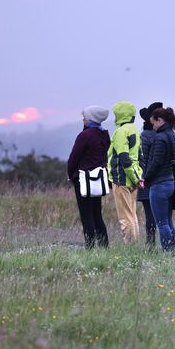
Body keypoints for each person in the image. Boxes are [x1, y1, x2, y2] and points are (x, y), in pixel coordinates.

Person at [67, 106, 111, 249]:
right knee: (97, 215)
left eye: (85, 117)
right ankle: (104, 247)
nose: (83, 119)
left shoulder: (84, 136)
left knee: (86, 216)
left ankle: (90, 248)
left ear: (90, 118)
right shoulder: (104, 134)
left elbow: (73, 159)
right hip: (98, 179)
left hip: (83, 179)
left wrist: (71, 175)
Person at [143, 107, 175, 251]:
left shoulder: (160, 138)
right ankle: (171, 249)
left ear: (160, 120)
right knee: (169, 221)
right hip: (171, 182)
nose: (153, 126)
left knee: (162, 223)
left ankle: (167, 252)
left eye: (153, 123)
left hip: (159, 184)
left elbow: (155, 163)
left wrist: (145, 179)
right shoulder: (173, 136)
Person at [107, 101, 143, 243]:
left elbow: (124, 158)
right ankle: (135, 245)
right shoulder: (135, 130)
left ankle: (130, 247)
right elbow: (140, 157)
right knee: (132, 215)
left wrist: (133, 177)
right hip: (133, 177)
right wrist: (138, 177)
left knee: (125, 217)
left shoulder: (121, 132)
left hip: (122, 179)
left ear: (120, 115)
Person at [137, 101, 163, 245]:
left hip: (147, 181)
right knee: (163, 216)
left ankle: (150, 244)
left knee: (150, 216)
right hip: (164, 180)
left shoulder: (144, 136)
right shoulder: (165, 134)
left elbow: (143, 160)